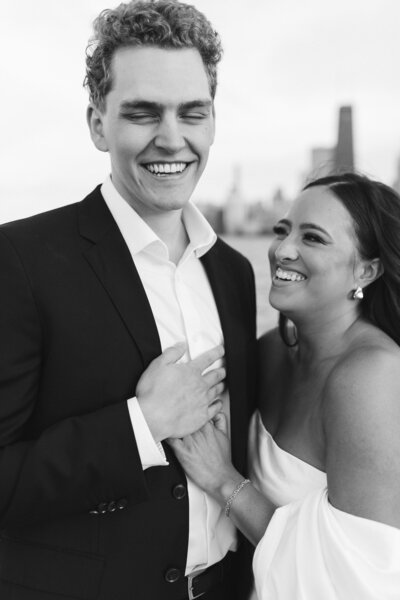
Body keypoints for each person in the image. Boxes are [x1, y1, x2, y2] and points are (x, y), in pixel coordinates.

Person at [0, 2, 256, 599]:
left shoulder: (236, 273)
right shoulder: (19, 260)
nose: (173, 138)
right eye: (143, 113)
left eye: (193, 112)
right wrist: (142, 424)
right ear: (98, 124)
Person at [169, 172, 400, 599]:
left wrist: (224, 481)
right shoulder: (273, 348)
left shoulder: (372, 376)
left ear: (366, 270)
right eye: (283, 230)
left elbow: (357, 579)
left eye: (312, 237)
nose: (283, 250)